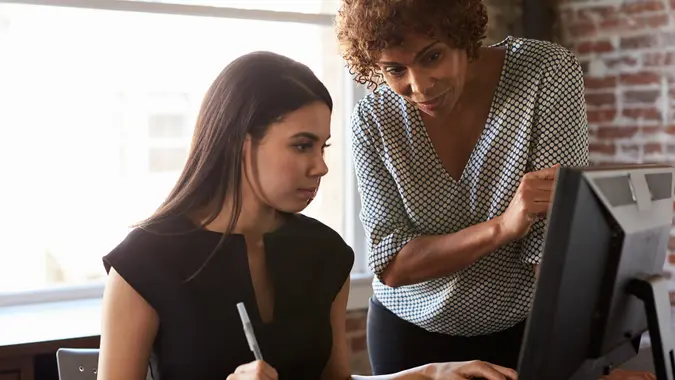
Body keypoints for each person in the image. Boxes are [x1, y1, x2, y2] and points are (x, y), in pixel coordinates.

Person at [96, 51, 518, 380]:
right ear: (240, 144)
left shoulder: (324, 252)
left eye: (323, 147)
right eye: (302, 145)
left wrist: (429, 373)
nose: (320, 166)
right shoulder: (143, 265)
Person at [335, 0, 589, 375]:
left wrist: (585, 358)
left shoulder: (544, 72)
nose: (419, 86)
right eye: (395, 69)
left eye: (432, 56)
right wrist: (501, 228)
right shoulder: (372, 121)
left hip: (522, 328)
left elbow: (550, 241)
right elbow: (390, 263)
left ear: (464, 36)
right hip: (408, 334)